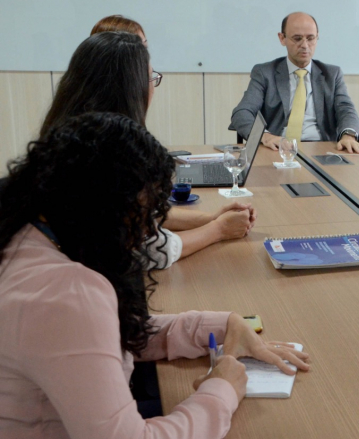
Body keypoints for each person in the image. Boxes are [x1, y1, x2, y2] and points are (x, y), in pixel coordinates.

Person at [0, 112, 310, 439]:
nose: (148, 232)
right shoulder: (66, 294)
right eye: (143, 216)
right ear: (102, 208)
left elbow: (92, 346)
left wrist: (219, 324)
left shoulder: (26, 238)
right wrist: (221, 391)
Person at [42, 30, 255, 268]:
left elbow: (138, 214)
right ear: (131, 89)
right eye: (152, 78)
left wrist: (210, 218)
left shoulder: (65, 129)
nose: (153, 86)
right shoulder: (111, 148)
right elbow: (147, 250)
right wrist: (218, 230)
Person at [230, 12, 359, 154]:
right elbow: (242, 112)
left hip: (322, 149)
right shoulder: (265, 73)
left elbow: (346, 109)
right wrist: (265, 136)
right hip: (278, 149)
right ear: (282, 38)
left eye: (310, 38)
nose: (305, 45)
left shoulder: (332, 74)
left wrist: (348, 136)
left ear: (317, 37)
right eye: (297, 38)